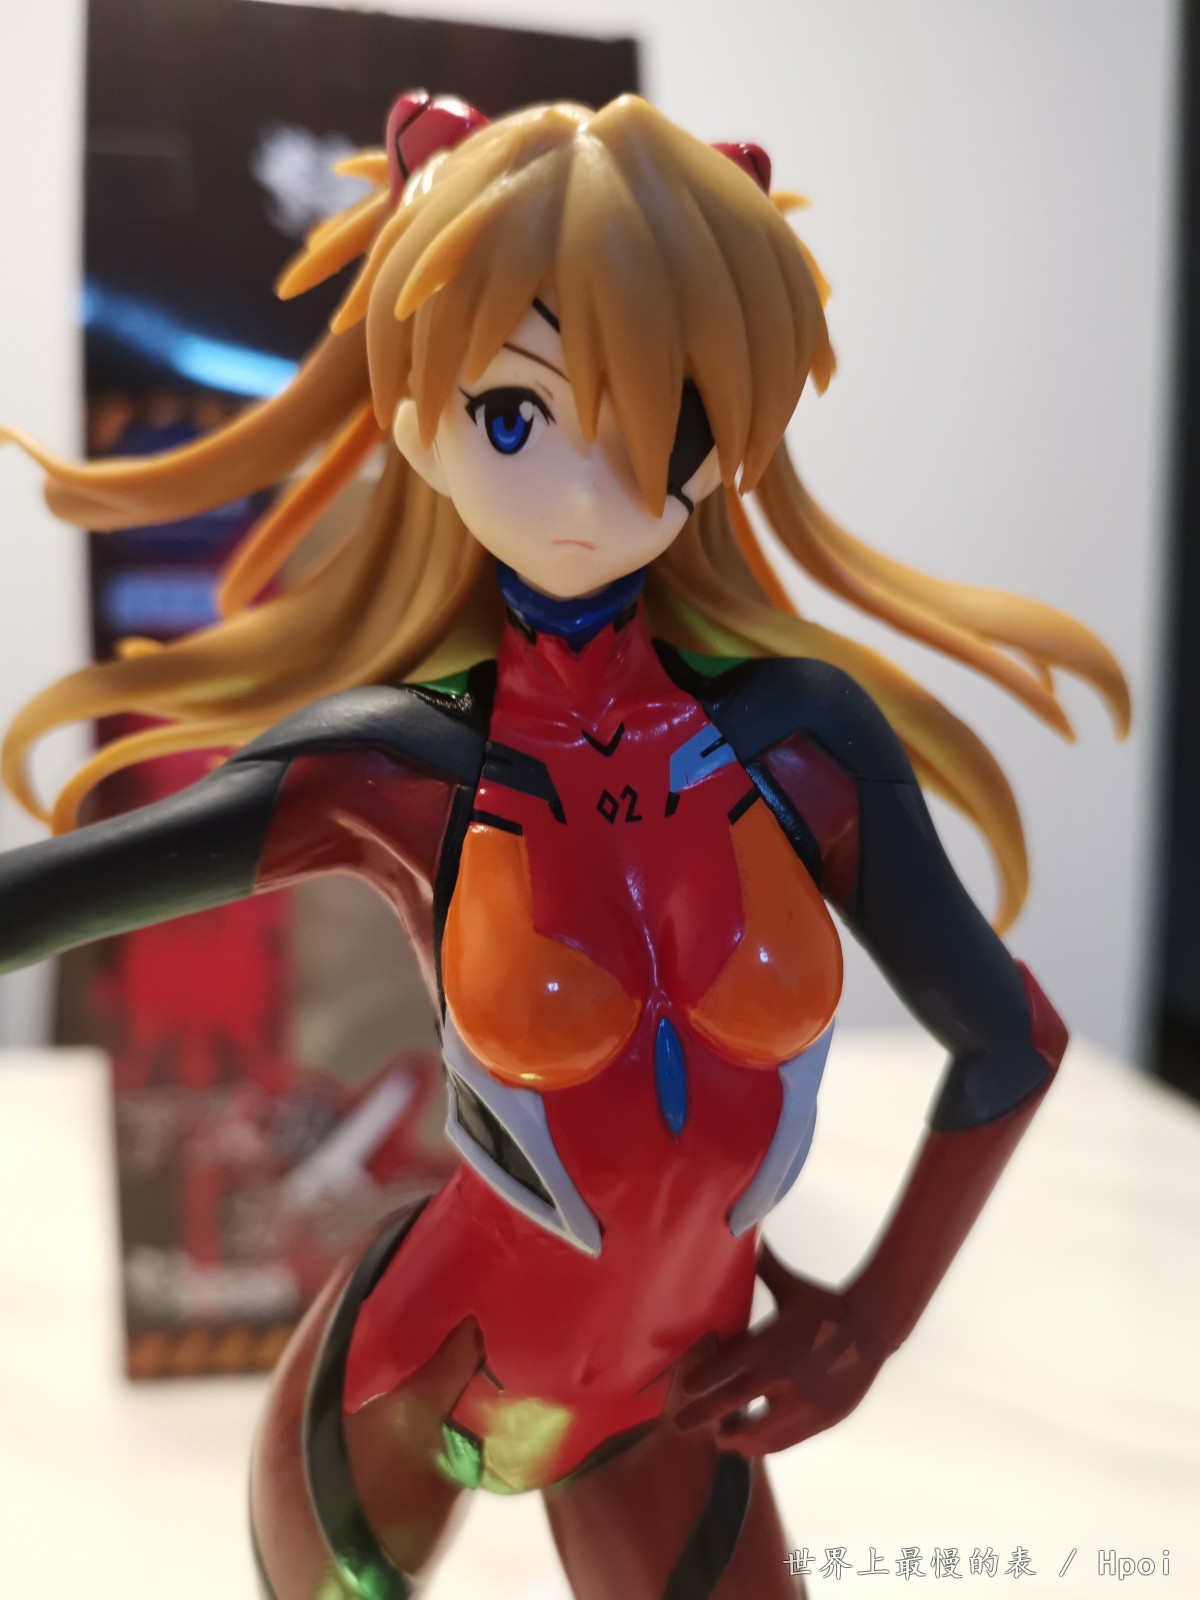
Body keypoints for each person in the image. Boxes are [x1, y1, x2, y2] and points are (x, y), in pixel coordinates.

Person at [0, 92, 1128, 1599]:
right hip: (408, 1385)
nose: (590, 490)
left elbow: (1010, 1042)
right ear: (420, 420)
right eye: (514, 416)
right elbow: (48, 900)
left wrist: (868, 1325)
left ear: (729, 433)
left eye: (659, 416)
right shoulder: (396, 769)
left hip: (673, 1398)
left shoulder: (802, 744)